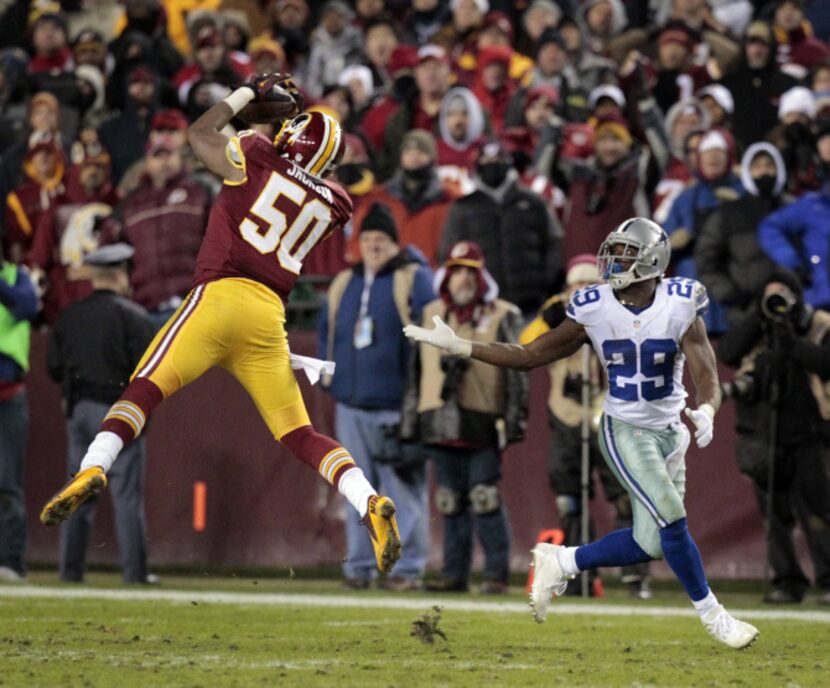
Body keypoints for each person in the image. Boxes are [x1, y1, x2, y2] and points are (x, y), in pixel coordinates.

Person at [39, 74, 402, 577]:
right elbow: (307, 171)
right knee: (301, 435)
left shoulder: (255, 154)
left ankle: (93, 466)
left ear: (288, 137)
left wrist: (249, 94)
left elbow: (201, 133)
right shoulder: (335, 202)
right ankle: (367, 503)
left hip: (220, 298)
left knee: (144, 388)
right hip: (268, 318)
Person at [405, 217, 759, 649]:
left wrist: (707, 408)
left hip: (669, 432)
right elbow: (530, 355)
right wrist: (463, 345)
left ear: (651, 260)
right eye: (615, 250)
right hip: (624, 428)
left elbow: (706, 373)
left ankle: (562, 561)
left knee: (651, 543)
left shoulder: (681, 302)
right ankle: (714, 616)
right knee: (672, 515)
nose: (614, 260)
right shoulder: (593, 305)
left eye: (626, 252)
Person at [520, 255, 651, 599]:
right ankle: (578, 573)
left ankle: (635, 575)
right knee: (569, 500)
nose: (582, 290)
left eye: (590, 283)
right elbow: (526, 344)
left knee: (623, 497)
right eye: (576, 284)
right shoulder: (557, 313)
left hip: (610, 416)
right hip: (567, 418)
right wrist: (549, 318)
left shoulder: (618, 310)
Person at [401, 241, 528, 594]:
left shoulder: (503, 313)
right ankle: (453, 574)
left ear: (481, 276)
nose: (462, 279)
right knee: (449, 500)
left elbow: (518, 371)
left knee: (485, 497)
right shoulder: (429, 312)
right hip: (438, 418)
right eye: (456, 270)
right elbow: (415, 371)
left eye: (470, 271)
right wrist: (410, 420)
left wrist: (516, 419)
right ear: (446, 276)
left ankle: (496, 575)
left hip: (483, 418)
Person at [319, 203, 434, 590]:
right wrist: (327, 377)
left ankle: (407, 568)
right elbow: (327, 331)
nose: (373, 246)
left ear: (395, 243)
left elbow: (431, 334)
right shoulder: (343, 282)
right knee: (356, 491)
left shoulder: (414, 278)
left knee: (403, 489)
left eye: (381, 240)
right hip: (350, 405)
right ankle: (361, 567)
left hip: (397, 406)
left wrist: (423, 401)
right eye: (367, 239)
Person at [718, 269, 830, 605]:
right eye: (770, 294)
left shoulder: (818, 324)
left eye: (782, 293)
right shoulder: (757, 326)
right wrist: (759, 315)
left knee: (818, 512)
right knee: (774, 516)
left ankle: (828, 580)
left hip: (808, 432)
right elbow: (728, 352)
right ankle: (787, 581)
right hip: (762, 433)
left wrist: (791, 342)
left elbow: (826, 363)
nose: (776, 300)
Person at [47, 244, 157, 584]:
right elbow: (152, 371)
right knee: (126, 497)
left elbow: (53, 367)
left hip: (79, 411)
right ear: (120, 275)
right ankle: (134, 575)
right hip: (119, 415)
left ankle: (70, 573)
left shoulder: (69, 316)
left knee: (77, 493)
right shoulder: (135, 317)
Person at [0, 246, 38, 583]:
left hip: (8, 393)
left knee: (8, 482)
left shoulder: (17, 277)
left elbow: (28, 306)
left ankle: (11, 561)